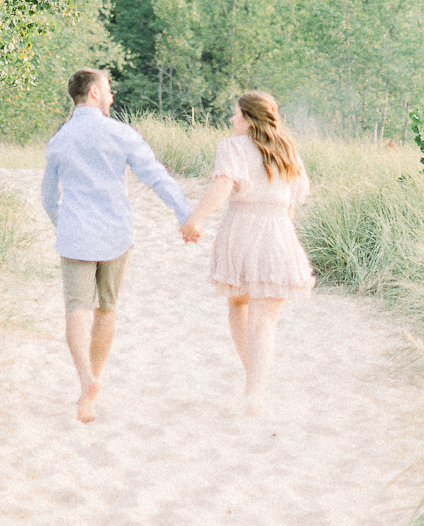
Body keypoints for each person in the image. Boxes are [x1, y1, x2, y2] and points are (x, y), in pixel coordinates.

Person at [40, 68, 195, 424]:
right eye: (108, 90)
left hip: (76, 234)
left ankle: (85, 381)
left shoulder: (60, 139)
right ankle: (93, 385)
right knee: (106, 310)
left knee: (76, 310)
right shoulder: (120, 133)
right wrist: (184, 215)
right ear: (94, 92)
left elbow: (49, 197)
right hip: (115, 236)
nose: (112, 96)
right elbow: (155, 175)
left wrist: (62, 224)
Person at [181, 90, 315, 415]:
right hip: (278, 231)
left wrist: (194, 219)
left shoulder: (232, 147)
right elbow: (294, 199)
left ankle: (252, 385)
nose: (232, 119)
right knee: (264, 322)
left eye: (236, 113)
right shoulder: (287, 149)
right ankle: (255, 389)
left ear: (249, 118)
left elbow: (222, 186)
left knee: (239, 305)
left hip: (241, 231)